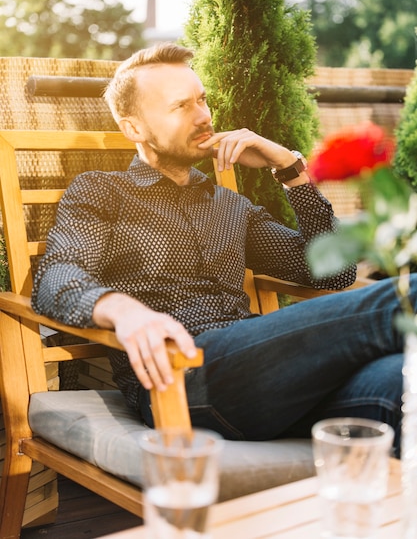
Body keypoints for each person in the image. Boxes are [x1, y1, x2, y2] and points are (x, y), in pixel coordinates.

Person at [32, 42, 407, 455]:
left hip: (262, 380)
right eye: (181, 107)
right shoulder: (102, 191)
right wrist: (124, 311)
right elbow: (55, 279)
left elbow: (332, 271)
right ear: (134, 129)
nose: (204, 116)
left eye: (202, 99)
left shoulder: (230, 205)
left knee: (401, 382)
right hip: (179, 381)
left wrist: (289, 168)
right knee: (403, 298)